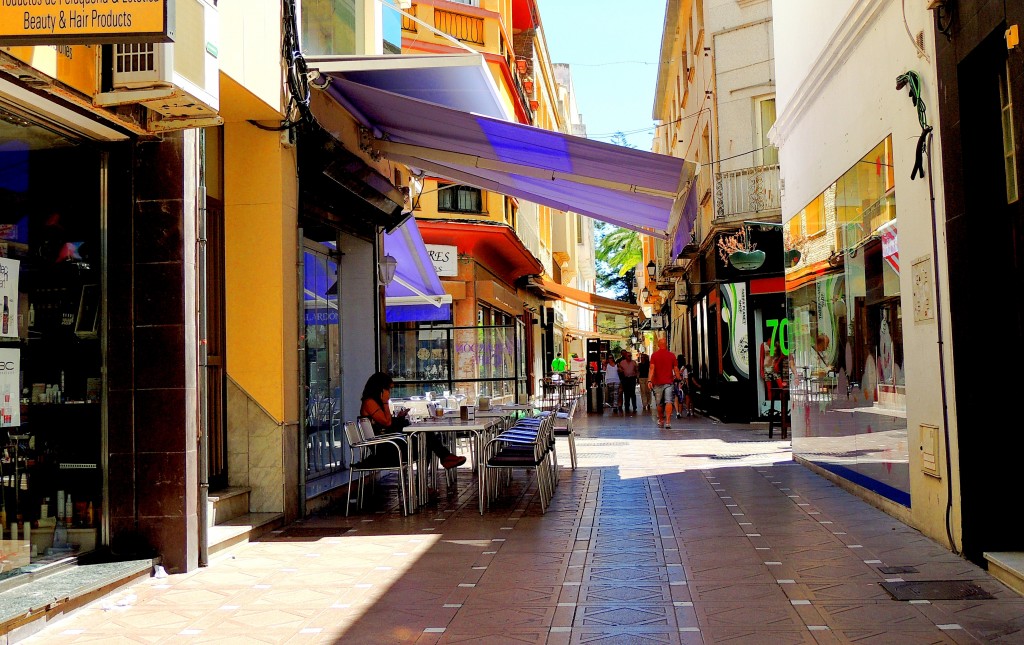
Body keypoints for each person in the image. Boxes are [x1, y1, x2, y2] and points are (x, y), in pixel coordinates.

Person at [359, 372, 466, 470]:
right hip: (384, 448)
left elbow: (386, 422)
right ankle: (445, 458)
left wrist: (399, 417)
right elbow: (387, 423)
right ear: (380, 388)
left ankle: (445, 458)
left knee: (425, 439)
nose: (389, 392)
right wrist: (385, 402)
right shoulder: (369, 402)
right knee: (424, 443)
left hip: (390, 442)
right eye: (388, 389)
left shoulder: (376, 402)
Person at [647, 336, 681, 428]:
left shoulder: (654, 355)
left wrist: (649, 380)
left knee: (659, 403)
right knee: (669, 401)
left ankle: (661, 420)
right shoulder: (672, 355)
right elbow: (676, 368)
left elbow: (652, 368)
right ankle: (668, 422)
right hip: (669, 382)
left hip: (657, 383)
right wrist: (679, 378)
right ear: (666, 345)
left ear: (658, 345)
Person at [617, 349, 639, 413]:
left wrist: (637, 377)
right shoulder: (622, 362)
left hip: (632, 379)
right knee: (626, 393)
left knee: (632, 393)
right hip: (625, 379)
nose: (630, 357)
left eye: (630, 356)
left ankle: (634, 407)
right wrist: (620, 370)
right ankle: (627, 406)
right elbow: (619, 369)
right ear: (626, 356)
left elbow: (636, 370)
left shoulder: (634, 362)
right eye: (628, 356)